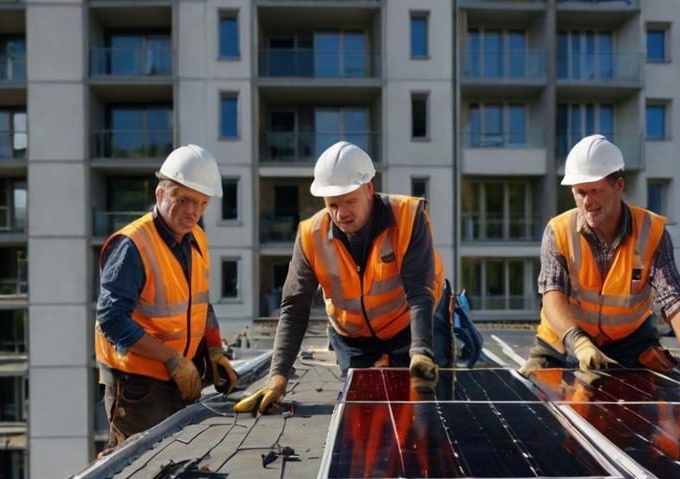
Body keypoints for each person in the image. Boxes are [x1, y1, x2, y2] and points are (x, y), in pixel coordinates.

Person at [520, 134, 680, 396]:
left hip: (630, 343)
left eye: (595, 191)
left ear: (619, 185)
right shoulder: (558, 231)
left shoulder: (651, 233)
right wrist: (579, 342)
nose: (587, 202)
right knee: (534, 397)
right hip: (563, 340)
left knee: (654, 415)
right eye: (580, 192)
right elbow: (552, 294)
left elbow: (674, 298)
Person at [235, 141, 445, 414]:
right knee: (362, 415)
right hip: (353, 337)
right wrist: (278, 377)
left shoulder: (408, 217)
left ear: (369, 189)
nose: (341, 214)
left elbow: (419, 291)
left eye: (349, 201)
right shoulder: (311, 236)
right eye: (333, 204)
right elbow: (294, 307)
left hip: (410, 326)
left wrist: (420, 352)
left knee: (426, 410)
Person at [95, 144, 238, 451]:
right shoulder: (133, 246)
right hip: (139, 386)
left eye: (201, 203)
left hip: (180, 377)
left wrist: (214, 351)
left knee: (177, 466)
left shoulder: (196, 238)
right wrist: (171, 359)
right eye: (183, 199)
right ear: (161, 194)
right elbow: (111, 320)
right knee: (134, 470)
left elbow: (200, 303)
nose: (192, 211)